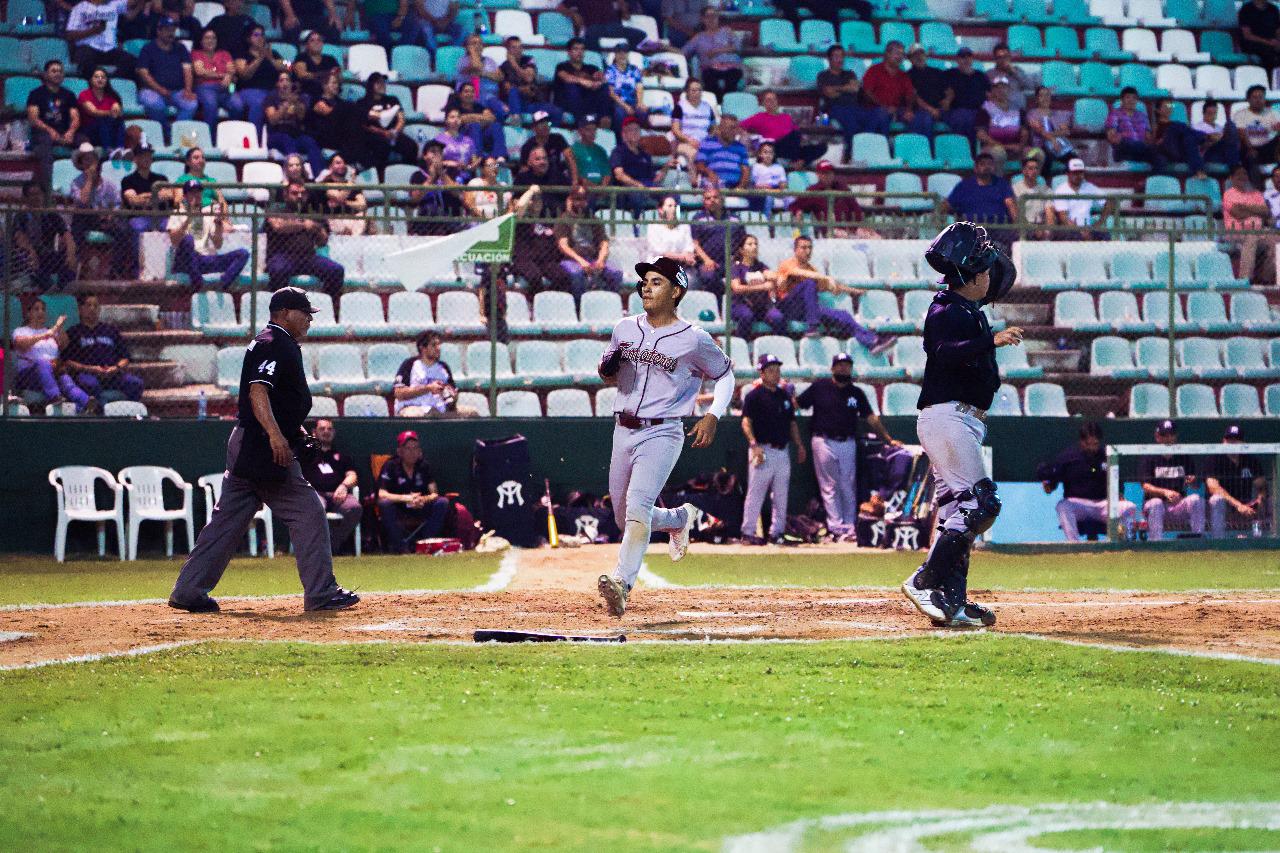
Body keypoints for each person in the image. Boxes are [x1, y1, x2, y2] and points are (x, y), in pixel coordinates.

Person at [169, 287, 359, 613]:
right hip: (263, 446)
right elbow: (258, 391)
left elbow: (277, 401)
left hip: (251, 442)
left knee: (227, 522)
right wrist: (276, 436)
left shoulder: (276, 342)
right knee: (309, 511)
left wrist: (295, 431)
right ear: (284, 313)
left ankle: (188, 590)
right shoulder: (275, 342)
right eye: (304, 313)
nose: (309, 319)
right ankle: (321, 593)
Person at [595, 256, 735, 617]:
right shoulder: (624, 328)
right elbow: (607, 372)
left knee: (638, 505)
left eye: (656, 282)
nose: (646, 287)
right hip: (622, 428)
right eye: (645, 282)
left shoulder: (694, 339)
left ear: (676, 291)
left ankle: (622, 584)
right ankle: (677, 519)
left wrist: (713, 414)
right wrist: (607, 367)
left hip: (663, 430)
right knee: (623, 517)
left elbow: (725, 374)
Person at [902, 221, 1020, 628]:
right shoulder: (945, 309)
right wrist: (991, 341)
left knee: (958, 510)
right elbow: (943, 352)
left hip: (961, 419)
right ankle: (924, 581)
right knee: (981, 504)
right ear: (971, 276)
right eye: (983, 270)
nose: (989, 276)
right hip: (946, 416)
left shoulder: (968, 310)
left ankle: (951, 600)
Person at [798, 352, 898, 539]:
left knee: (847, 484)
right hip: (823, 440)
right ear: (832, 368)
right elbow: (798, 403)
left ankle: (851, 527)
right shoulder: (820, 387)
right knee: (829, 486)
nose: (843, 368)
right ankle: (836, 527)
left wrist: (888, 439)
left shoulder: (856, 393)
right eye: (840, 365)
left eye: (847, 365)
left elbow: (871, 418)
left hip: (847, 442)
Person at [775, 235, 894, 352]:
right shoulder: (787, 264)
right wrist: (824, 277)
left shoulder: (812, 270)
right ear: (795, 250)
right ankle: (812, 328)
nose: (808, 251)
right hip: (786, 308)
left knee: (843, 316)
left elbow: (831, 286)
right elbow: (797, 272)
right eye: (803, 247)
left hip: (805, 310)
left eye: (810, 248)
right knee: (809, 283)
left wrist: (854, 291)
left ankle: (872, 342)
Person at [739, 353, 805, 544]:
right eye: (771, 370)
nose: (775, 374)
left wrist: (799, 445)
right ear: (762, 373)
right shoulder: (754, 396)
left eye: (777, 370)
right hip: (762, 449)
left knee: (781, 495)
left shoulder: (784, 395)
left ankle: (777, 532)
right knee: (756, 493)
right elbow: (746, 422)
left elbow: (792, 423)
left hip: (782, 450)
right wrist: (754, 445)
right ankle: (748, 532)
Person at [1037, 421, 1137, 542]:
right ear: (1081, 441)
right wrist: (1049, 486)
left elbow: (1117, 479)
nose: (1092, 448)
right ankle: (1075, 546)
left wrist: (1119, 494)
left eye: (1095, 444)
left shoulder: (1108, 456)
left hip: (1103, 505)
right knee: (1062, 506)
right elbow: (1053, 480)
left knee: (1129, 507)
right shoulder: (1068, 457)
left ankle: (1124, 544)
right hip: (1078, 504)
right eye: (1088, 444)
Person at [68, 142, 138, 279]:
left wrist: (111, 214)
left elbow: (118, 204)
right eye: (86, 160)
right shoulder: (76, 183)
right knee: (77, 223)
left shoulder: (109, 185)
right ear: (81, 164)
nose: (90, 165)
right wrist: (89, 180)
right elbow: (82, 202)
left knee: (124, 230)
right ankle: (79, 266)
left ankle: (116, 270)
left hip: (106, 220)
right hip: (85, 219)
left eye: (92, 160)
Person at [376, 430, 454, 553]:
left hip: (420, 506)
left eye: (415, 448)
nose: (412, 452)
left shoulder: (424, 466)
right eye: (408, 448)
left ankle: (424, 544)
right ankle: (400, 547)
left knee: (442, 502)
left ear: (419, 451)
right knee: (384, 504)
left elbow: (434, 493)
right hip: (399, 507)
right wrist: (406, 498)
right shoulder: (390, 466)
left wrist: (423, 499)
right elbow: (382, 494)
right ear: (400, 451)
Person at [60, 292, 145, 404]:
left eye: (96, 305)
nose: (92, 309)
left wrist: (115, 368)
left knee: (136, 383)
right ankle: (99, 411)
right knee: (90, 385)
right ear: (80, 309)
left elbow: (125, 357)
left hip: (112, 374)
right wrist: (91, 369)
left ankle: (128, 412)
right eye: (88, 305)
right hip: (87, 374)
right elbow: (67, 361)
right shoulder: (73, 332)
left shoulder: (110, 330)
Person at [265, 180, 345, 300]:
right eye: (295, 193)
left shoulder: (312, 211)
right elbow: (277, 226)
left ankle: (329, 303)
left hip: (308, 257)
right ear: (286, 195)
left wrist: (317, 229)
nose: (299, 196)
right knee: (278, 270)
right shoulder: (276, 208)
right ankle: (280, 305)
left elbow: (322, 242)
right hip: (281, 256)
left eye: (303, 193)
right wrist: (303, 225)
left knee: (336, 270)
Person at [12, 298, 93, 412]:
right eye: (36, 309)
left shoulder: (51, 331)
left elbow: (64, 344)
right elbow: (21, 344)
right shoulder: (21, 331)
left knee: (66, 381)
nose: (41, 312)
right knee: (42, 363)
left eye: (43, 309)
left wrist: (59, 328)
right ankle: (54, 396)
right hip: (29, 375)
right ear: (28, 313)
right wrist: (46, 334)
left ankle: (86, 404)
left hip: (53, 371)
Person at [167, 178, 250, 289]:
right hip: (185, 261)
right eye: (192, 193)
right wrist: (188, 219)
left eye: (198, 192)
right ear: (185, 196)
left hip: (203, 260)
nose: (196, 195)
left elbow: (218, 244)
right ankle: (198, 284)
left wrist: (218, 223)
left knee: (243, 254)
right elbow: (174, 241)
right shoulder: (177, 213)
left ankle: (222, 285)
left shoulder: (207, 214)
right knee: (188, 239)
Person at [298, 417, 362, 553]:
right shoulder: (306, 454)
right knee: (316, 507)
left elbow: (353, 476)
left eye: (329, 429)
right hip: (315, 494)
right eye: (322, 429)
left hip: (338, 495)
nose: (326, 432)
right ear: (314, 432)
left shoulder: (341, 456)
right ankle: (315, 547)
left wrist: (344, 486)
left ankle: (332, 544)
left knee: (354, 507)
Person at [555, 185, 623, 304]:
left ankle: (610, 304)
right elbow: (563, 246)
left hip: (593, 259)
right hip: (571, 260)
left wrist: (601, 260)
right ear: (571, 200)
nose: (580, 203)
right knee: (576, 274)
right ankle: (579, 307)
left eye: (583, 199)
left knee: (616, 273)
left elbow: (604, 242)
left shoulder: (593, 219)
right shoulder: (563, 220)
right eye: (577, 199)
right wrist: (581, 261)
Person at [818, 45, 890, 157]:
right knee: (851, 122)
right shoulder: (823, 75)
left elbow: (855, 88)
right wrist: (846, 88)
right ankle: (852, 154)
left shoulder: (850, 74)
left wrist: (837, 89)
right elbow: (828, 92)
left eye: (842, 56)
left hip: (856, 107)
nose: (840, 60)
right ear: (829, 59)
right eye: (836, 57)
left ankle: (875, 150)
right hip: (835, 109)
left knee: (880, 114)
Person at [1140, 419, 1206, 540]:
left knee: (1196, 499)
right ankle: (1156, 544)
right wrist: (1165, 492)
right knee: (1156, 503)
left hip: (1178, 506)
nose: (1168, 438)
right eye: (1164, 435)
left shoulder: (1184, 457)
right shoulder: (1149, 457)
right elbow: (1145, 486)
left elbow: (1195, 485)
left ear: (1176, 436)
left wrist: (1193, 481)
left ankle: (1198, 541)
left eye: (1171, 435)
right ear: (1157, 437)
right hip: (1155, 505)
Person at [392, 331, 477, 417]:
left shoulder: (443, 367)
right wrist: (428, 388)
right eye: (434, 345)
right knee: (416, 415)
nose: (438, 348)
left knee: (471, 413)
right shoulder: (409, 364)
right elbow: (399, 393)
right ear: (423, 348)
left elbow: (453, 394)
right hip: (414, 407)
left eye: (439, 344)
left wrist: (452, 394)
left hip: (440, 408)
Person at [26, 60, 82, 190]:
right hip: (42, 133)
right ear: (46, 74)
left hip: (64, 132)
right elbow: (33, 119)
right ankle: (49, 190)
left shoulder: (69, 94)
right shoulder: (36, 94)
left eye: (60, 71)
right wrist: (49, 130)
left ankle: (84, 187)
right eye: (54, 71)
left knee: (85, 143)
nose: (58, 74)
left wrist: (71, 132)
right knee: (45, 149)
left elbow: (75, 117)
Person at [12, 182, 77, 291]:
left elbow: (67, 235)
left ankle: (62, 287)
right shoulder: (21, 216)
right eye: (32, 194)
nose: (36, 197)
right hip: (26, 254)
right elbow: (19, 237)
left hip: (46, 254)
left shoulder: (51, 215)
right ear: (25, 198)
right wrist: (30, 251)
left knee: (69, 258)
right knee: (29, 261)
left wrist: (71, 254)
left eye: (38, 194)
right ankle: (50, 287)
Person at [137, 16, 198, 130]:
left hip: (177, 91)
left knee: (191, 104)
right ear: (159, 31)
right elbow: (143, 73)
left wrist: (188, 90)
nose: (171, 33)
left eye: (173, 30)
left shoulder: (181, 48)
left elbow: (188, 70)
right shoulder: (148, 48)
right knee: (155, 104)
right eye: (167, 30)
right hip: (152, 90)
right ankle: (166, 133)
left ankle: (176, 132)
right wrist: (160, 89)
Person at [1207, 424, 1268, 539]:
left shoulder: (1251, 460)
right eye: (1229, 440)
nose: (1232, 443)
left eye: (1236, 440)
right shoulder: (1214, 459)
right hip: (1226, 505)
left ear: (1243, 443)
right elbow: (1213, 487)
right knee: (1216, 500)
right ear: (1223, 441)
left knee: (1265, 502)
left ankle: (1258, 539)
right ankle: (1218, 541)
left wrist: (1260, 499)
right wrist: (1238, 505)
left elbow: (1261, 486)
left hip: (1247, 505)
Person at [1223, 163, 1277, 287]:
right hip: (1235, 232)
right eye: (1238, 174)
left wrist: (1244, 207)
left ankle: (1266, 279)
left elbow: (1266, 212)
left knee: (1276, 239)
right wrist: (1256, 210)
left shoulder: (1256, 194)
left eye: (1244, 174)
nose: (1242, 177)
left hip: (1258, 231)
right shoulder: (1229, 194)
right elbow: (1237, 214)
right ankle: (1245, 280)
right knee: (1251, 236)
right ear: (1231, 178)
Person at [741, 89, 826, 165]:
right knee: (794, 135)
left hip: (791, 148)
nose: (772, 102)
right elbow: (740, 125)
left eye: (774, 99)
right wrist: (746, 134)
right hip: (775, 148)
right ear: (763, 104)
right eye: (768, 100)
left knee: (822, 147)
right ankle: (797, 160)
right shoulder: (759, 117)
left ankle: (800, 161)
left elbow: (797, 135)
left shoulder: (786, 117)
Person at [863, 41, 931, 137]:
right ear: (887, 54)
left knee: (923, 117)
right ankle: (883, 145)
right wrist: (884, 107)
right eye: (897, 53)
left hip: (897, 110)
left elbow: (910, 94)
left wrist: (909, 110)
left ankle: (915, 145)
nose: (900, 57)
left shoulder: (903, 75)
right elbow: (867, 92)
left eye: (902, 54)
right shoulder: (874, 70)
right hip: (875, 109)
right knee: (882, 114)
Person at [611, 116, 673, 216]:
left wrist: (666, 167)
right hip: (628, 189)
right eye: (631, 130)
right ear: (624, 134)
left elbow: (654, 180)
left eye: (637, 130)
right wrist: (638, 185)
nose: (635, 132)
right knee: (636, 196)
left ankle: (671, 221)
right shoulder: (618, 152)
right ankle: (637, 223)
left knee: (672, 195)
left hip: (647, 188)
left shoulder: (645, 154)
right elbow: (619, 175)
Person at [690, 185, 744, 297]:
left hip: (731, 261)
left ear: (722, 199)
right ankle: (719, 303)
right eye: (708, 198)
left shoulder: (735, 219)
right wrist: (706, 260)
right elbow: (695, 243)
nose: (712, 200)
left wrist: (737, 259)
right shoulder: (698, 219)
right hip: (708, 262)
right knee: (708, 276)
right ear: (704, 202)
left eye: (715, 197)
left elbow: (743, 242)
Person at [357, 72, 419, 172]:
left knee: (411, 146)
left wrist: (395, 131)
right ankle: (380, 178)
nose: (382, 85)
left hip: (393, 134)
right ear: (371, 85)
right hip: (374, 135)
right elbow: (364, 125)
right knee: (381, 147)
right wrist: (383, 133)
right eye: (378, 83)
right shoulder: (362, 102)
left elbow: (401, 118)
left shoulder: (392, 99)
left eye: (383, 82)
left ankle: (407, 174)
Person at [234, 25, 291, 130]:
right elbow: (244, 75)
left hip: (272, 90)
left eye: (262, 35)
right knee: (259, 103)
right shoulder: (242, 54)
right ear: (248, 38)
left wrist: (270, 59)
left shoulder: (273, 54)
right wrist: (260, 58)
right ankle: (256, 135)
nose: (260, 38)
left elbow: (288, 66)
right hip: (250, 90)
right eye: (256, 35)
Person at [787, 159, 867, 232]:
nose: (827, 176)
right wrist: (798, 211)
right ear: (818, 174)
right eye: (823, 173)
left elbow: (856, 209)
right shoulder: (813, 191)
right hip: (829, 230)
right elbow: (794, 205)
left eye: (829, 173)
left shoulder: (843, 188)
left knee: (870, 235)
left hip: (850, 228)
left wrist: (860, 226)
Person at [67, 0, 139, 79]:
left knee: (133, 62)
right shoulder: (80, 8)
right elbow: (70, 35)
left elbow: (134, 2)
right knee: (84, 59)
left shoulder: (114, 4)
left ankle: (111, 82)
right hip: (88, 48)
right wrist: (93, 31)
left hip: (109, 50)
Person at [682, 6, 742, 100]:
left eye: (714, 16)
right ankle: (717, 104)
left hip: (731, 67)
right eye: (708, 16)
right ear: (703, 19)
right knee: (710, 78)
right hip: (710, 68)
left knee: (733, 77)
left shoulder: (727, 31)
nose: (711, 19)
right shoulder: (698, 37)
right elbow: (683, 52)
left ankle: (728, 104)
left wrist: (717, 51)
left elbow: (738, 47)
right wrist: (666, 47)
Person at [501, 35, 562, 125]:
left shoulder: (528, 59)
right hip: (516, 104)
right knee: (513, 91)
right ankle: (515, 119)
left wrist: (514, 64)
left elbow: (528, 78)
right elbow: (507, 89)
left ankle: (551, 131)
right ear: (508, 50)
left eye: (520, 47)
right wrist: (521, 89)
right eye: (514, 48)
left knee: (557, 111)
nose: (518, 50)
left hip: (532, 103)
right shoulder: (504, 66)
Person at [1050, 158, 1116, 240]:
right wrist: (1079, 231)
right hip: (1069, 229)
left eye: (1080, 172)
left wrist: (1099, 223)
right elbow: (1063, 217)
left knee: (1105, 235)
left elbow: (1109, 202)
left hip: (1088, 228)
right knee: (1074, 236)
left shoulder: (1089, 187)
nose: (1078, 176)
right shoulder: (1061, 190)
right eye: (1075, 173)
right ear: (1068, 173)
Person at [944, 153, 1016, 226]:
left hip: (999, 228)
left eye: (990, 164)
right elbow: (947, 205)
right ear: (975, 168)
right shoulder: (964, 186)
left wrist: (1017, 226)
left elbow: (1010, 205)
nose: (987, 167)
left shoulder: (1002, 184)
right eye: (982, 164)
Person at [407, 139, 461, 236]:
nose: (437, 154)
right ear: (425, 156)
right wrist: (431, 178)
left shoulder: (450, 173)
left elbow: (458, 194)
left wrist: (442, 174)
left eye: (439, 152)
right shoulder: (418, 175)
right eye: (433, 151)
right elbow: (414, 199)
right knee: (431, 209)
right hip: (427, 220)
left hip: (450, 219)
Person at [307, 70, 361, 164]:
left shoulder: (339, 101)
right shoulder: (317, 101)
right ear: (324, 85)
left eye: (337, 83)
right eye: (334, 83)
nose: (336, 86)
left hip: (340, 134)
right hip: (324, 136)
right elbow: (330, 113)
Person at [975, 77, 1027, 174]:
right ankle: (998, 182)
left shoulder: (1018, 109)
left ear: (1009, 90)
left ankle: (1028, 182)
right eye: (997, 88)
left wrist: (1021, 146)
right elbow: (981, 134)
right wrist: (1003, 146)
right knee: (999, 153)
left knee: (1037, 154)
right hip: (993, 147)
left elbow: (1025, 132)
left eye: (1004, 87)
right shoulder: (985, 109)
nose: (1001, 90)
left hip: (1016, 148)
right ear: (992, 91)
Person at [729, 234, 778, 337]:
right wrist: (763, 287)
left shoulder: (761, 266)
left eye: (756, 244)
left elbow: (772, 276)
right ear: (741, 250)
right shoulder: (736, 268)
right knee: (747, 316)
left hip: (761, 307)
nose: (754, 247)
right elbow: (737, 288)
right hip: (740, 305)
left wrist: (774, 278)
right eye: (750, 244)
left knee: (777, 317)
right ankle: (743, 341)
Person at [553, 38, 612, 123]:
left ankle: (604, 119)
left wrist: (598, 83)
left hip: (589, 102)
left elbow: (603, 79)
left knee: (604, 87)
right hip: (568, 104)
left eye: (582, 49)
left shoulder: (591, 68)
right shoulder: (562, 67)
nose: (579, 52)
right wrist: (583, 81)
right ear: (569, 52)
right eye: (576, 49)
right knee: (572, 86)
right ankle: (581, 121)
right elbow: (566, 78)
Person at [446, 80, 508, 161]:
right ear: (460, 94)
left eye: (472, 92)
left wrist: (472, 118)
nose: (469, 94)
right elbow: (460, 119)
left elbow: (491, 118)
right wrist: (480, 118)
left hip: (480, 136)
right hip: (461, 135)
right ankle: (477, 157)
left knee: (496, 126)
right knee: (475, 126)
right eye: (466, 91)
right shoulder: (454, 105)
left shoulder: (478, 106)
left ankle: (499, 156)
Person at [191, 27, 236, 133]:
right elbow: (200, 72)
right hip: (205, 87)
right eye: (207, 38)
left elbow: (232, 70)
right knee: (211, 105)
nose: (210, 41)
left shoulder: (225, 54)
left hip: (227, 88)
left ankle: (230, 135)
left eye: (213, 38)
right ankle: (210, 137)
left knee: (238, 104)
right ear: (201, 41)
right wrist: (224, 75)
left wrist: (229, 76)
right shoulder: (196, 53)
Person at [1024, 85, 1074, 177]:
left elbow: (1065, 131)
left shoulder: (1058, 114)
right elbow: (1040, 130)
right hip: (1040, 146)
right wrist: (1052, 138)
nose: (1045, 98)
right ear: (1037, 99)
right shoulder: (1032, 114)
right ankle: (1044, 182)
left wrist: (1052, 136)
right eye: (1041, 95)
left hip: (1057, 145)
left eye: (1047, 95)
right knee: (1047, 155)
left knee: (1073, 159)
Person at [315, 153, 372, 236]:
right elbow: (339, 197)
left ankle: (354, 239)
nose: (342, 165)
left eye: (344, 163)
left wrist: (346, 202)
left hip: (352, 218)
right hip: (333, 218)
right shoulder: (325, 183)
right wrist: (351, 182)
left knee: (362, 216)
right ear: (330, 167)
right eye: (338, 163)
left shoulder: (352, 186)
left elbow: (362, 205)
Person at [456, 31, 507, 120]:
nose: (478, 46)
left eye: (480, 43)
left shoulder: (490, 60)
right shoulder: (463, 61)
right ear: (467, 47)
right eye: (474, 43)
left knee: (504, 111)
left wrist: (484, 74)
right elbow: (476, 66)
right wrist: (473, 52)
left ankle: (490, 119)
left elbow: (500, 77)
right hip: (472, 98)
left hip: (490, 96)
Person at [519, 110, 578, 186]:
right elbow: (524, 169)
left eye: (548, 123)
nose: (545, 126)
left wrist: (575, 181)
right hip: (536, 181)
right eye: (541, 124)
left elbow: (570, 158)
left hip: (556, 179)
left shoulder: (558, 139)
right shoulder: (527, 146)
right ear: (534, 127)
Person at [942, 46, 989, 139]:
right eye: (963, 57)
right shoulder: (949, 74)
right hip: (955, 110)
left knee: (979, 118)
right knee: (963, 117)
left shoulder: (980, 76)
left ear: (972, 59)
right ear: (957, 60)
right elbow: (943, 93)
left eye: (969, 56)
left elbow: (989, 94)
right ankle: (964, 146)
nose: (966, 59)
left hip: (978, 110)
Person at [695, 112, 749, 192]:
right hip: (713, 187)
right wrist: (709, 172)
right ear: (721, 128)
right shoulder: (707, 143)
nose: (734, 132)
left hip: (734, 188)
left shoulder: (741, 148)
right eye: (731, 128)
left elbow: (745, 171)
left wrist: (740, 187)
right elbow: (699, 165)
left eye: (736, 128)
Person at [561, 0, 646, 51]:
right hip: (594, 28)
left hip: (614, 27)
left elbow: (626, 14)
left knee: (640, 34)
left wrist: (624, 8)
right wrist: (573, 14)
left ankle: (623, 59)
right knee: (590, 34)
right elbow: (560, 7)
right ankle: (599, 62)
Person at [1105, 86, 1156, 168]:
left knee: (1159, 157)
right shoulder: (1114, 114)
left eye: (1134, 98)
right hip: (1123, 149)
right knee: (1134, 145)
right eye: (1128, 97)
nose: (1131, 100)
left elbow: (1148, 137)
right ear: (1122, 100)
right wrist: (1123, 138)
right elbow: (1111, 137)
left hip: (1141, 149)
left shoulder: (1142, 116)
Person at [1233, 85, 1280, 174]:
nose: (1258, 100)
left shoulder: (1273, 113)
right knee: (1251, 157)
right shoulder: (1240, 114)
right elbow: (1241, 134)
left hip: (1268, 147)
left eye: (1261, 97)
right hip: (1248, 147)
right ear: (1248, 99)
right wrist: (1250, 148)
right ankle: (1255, 183)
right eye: (1255, 97)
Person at [905, 44, 951, 134]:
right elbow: (914, 96)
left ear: (926, 56)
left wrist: (948, 100)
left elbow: (949, 91)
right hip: (922, 110)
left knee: (960, 117)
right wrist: (931, 110)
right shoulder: (908, 76)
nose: (919, 57)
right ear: (910, 59)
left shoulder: (937, 72)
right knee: (924, 119)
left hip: (941, 109)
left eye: (921, 54)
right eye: (915, 55)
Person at [77, 66, 125, 152]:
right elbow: (93, 112)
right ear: (91, 80)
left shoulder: (111, 96)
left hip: (108, 131)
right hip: (89, 131)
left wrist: (116, 111)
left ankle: (120, 149)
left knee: (119, 120)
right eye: (96, 77)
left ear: (106, 80)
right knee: (102, 120)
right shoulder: (84, 94)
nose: (100, 79)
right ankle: (109, 150)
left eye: (103, 77)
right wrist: (110, 113)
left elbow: (117, 110)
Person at [670, 77, 717, 163]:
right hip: (685, 143)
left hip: (704, 143)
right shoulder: (680, 107)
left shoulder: (707, 107)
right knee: (697, 156)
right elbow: (675, 130)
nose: (697, 93)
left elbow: (714, 128)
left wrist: (707, 141)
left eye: (699, 90)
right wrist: (689, 140)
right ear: (687, 92)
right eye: (693, 90)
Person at [605, 44, 646, 131]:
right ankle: (620, 137)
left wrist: (639, 103)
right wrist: (626, 106)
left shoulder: (634, 69)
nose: (622, 55)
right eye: (619, 53)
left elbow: (639, 87)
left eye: (625, 52)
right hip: (617, 103)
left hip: (633, 102)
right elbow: (611, 92)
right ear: (615, 55)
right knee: (619, 114)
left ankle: (637, 136)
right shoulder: (610, 70)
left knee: (642, 112)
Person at [291, 29, 339, 101]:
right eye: (312, 40)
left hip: (329, 95)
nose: (316, 42)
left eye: (319, 40)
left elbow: (338, 74)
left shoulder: (330, 59)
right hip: (307, 96)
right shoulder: (301, 57)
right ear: (307, 45)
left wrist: (313, 75)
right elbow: (303, 75)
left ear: (322, 43)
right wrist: (327, 74)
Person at [1012, 156, 1051, 239]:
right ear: (1023, 171)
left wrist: (1047, 231)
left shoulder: (1046, 190)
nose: (1034, 171)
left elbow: (1049, 212)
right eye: (1031, 168)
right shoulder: (1015, 189)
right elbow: (1015, 214)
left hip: (1040, 226)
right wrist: (1031, 229)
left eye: (1036, 168)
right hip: (1022, 227)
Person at [986, 43, 1032, 113]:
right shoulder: (989, 74)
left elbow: (1030, 85)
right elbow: (986, 93)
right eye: (1000, 57)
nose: (1003, 60)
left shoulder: (1018, 70)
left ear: (1010, 57)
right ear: (995, 59)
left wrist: (1014, 72)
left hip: (1018, 111)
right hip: (997, 112)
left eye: (1005, 56)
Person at [1239, 0, 1280, 74]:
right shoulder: (1246, 9)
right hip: (1253, 43)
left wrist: (1278, 42)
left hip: (1272, 42)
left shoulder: (1273, 9)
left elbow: (1278, 30)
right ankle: (1268, 78)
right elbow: (1247, 35)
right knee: (1268, 53)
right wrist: (1268, 42)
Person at [571, 114, 611, 190]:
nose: (592, 133)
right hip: (582, 190)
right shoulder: (573, 150)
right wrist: (590, 186)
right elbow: (574, 173)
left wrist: (602, 188)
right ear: (580, 131)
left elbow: (607, 173)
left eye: (594, 129)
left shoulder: (601, 151)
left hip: (601, 191)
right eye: (588, 130)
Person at [748, 140, 787, 215]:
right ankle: (766, 219)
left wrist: (778, 189)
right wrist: (762, 187)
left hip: (776, 190)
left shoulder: (779, 167)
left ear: (774, 154)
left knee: (790, 198)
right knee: (768, 198)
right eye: (765, 152)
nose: (768, 155)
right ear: (760, 154)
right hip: (761, 191)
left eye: (770, 152)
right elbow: (752, 185)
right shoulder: (756, 167)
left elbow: (783, 185)